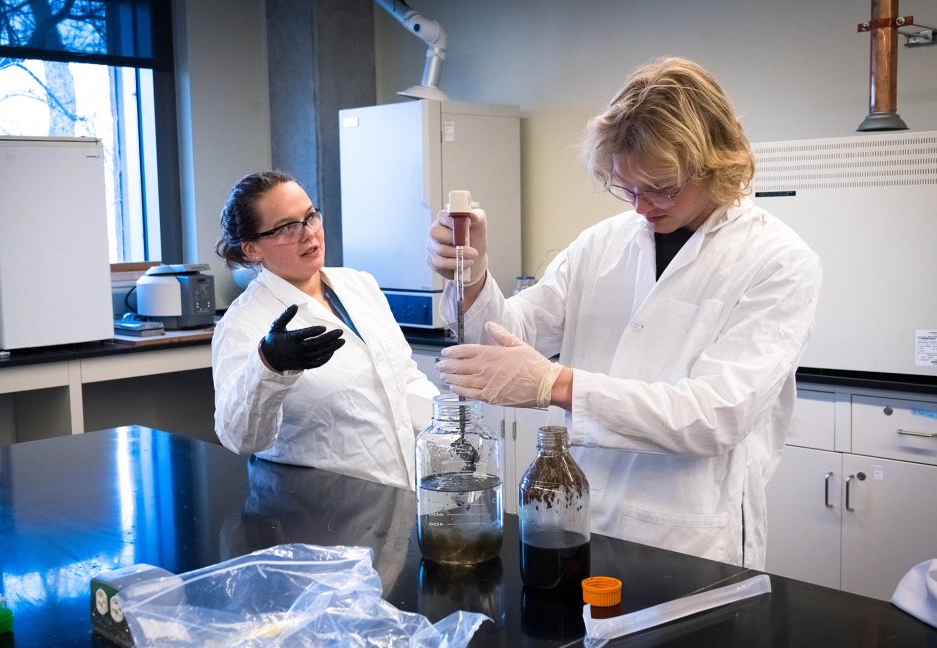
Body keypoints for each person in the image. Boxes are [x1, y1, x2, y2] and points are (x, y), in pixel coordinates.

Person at [425, 57, 822, 569]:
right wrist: (474, 276)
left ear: (717, 164)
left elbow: (715, 417)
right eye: (627, 187)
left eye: (660, 188)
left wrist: (556, 384)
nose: (640, 207)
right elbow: (510, 335)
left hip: (690, 537)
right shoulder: (602, 244)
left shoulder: (778, 260)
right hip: (579, 520)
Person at [213, 170, 438, 489]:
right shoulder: (243, 323)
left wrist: (447, 431)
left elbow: (404, 377)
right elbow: (238, 436)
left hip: (395, 494)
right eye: (287, 227)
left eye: (310, 217)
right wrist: (269, 366)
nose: (308, 234)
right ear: (252, 249)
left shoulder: (360, 284)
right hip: (316, 508)